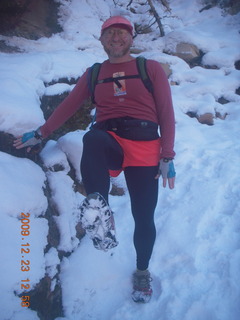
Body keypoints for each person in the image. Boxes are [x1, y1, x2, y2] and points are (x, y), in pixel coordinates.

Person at [14, 16, 176, 303]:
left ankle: (142, 271)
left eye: (122, 33)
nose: (116, 38)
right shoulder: (94, 73)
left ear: (131, 39)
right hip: (109, 140)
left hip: (145, 147)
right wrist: (42, 132)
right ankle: (99, 211)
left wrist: (167, 155)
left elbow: (166, 112)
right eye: (110, 33)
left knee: (143, 216)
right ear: (101, 39)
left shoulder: (148, 68)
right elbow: (69, 105)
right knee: (92, 138)